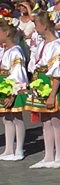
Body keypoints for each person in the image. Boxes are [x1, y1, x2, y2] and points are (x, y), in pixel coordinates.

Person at [25, 11, 60, 169]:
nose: (35, 28)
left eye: (36, 25)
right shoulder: (42, 43)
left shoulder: (57, 45)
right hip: (41, 82)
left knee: (55, 119)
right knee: (45, 120)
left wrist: (52, 94)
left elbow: (58, 72)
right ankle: (48, 155)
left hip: (52, 83)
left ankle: (58, 156)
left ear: (44, 26)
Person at [0, 17, 28, 161]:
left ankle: (19, 149)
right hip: (4, 87)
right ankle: (9, 149)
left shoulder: (16, 51)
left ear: (6, 33)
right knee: (6, 118)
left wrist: (13, 94)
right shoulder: (4, 50)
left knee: (17, 118)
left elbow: (18, 73)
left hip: (13, 88)